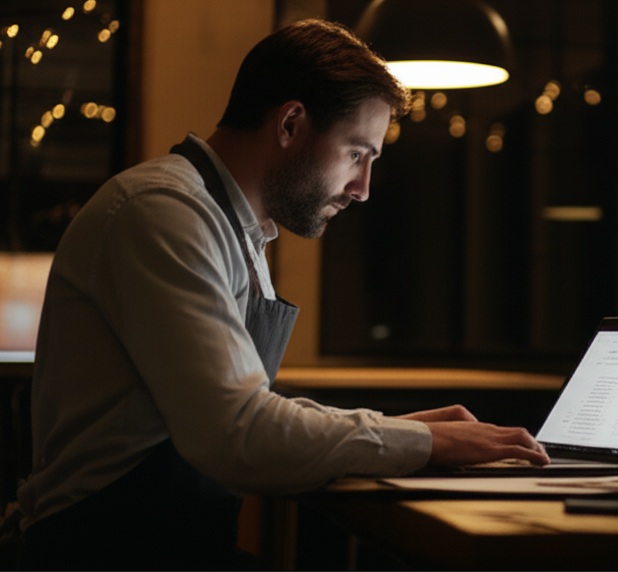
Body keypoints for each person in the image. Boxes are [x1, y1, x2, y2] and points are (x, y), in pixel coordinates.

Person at [17, 19, 548, 570]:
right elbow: (237, 432)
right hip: (104, 552)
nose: (362, 190)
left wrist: (405, 430)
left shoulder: (235, 228)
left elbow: (243, 407)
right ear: (291, 123)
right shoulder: (162, 212)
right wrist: (424, 444)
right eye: (356, 154)